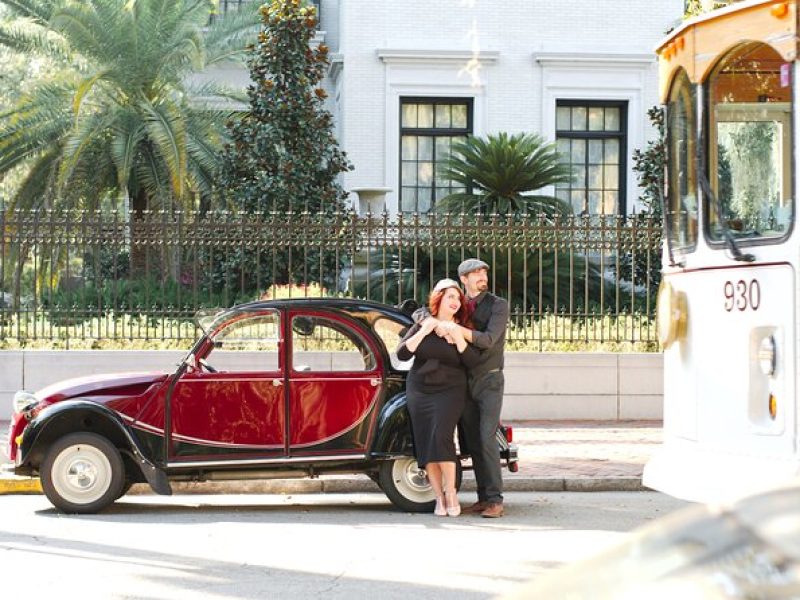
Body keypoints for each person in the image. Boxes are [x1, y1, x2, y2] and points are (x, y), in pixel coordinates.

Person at [396, 278, 481, 517]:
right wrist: (425, 329)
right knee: (426, 441)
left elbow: (473, 362)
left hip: (450, 391)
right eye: (450, 297)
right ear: (439, 299)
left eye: (458, 298)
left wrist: (457, 338)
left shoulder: (461, 326)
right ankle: (439, 497)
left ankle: (451, 492)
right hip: (420, 390)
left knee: (442, 437)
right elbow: (402, 353)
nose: (455, 301)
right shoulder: (425, 322)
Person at [443, 258, 509, 518]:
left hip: (490, 380)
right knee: (471, 442)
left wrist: (456, 329)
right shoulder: (458, 305)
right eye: (475, 273)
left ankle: (495, 500)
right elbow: (432, 312)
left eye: (484, 272)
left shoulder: (497, 305)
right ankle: (483, 498)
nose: (482, 276)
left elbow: (489, 339)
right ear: (464, 279)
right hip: (463, 380)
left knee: (486, 437)